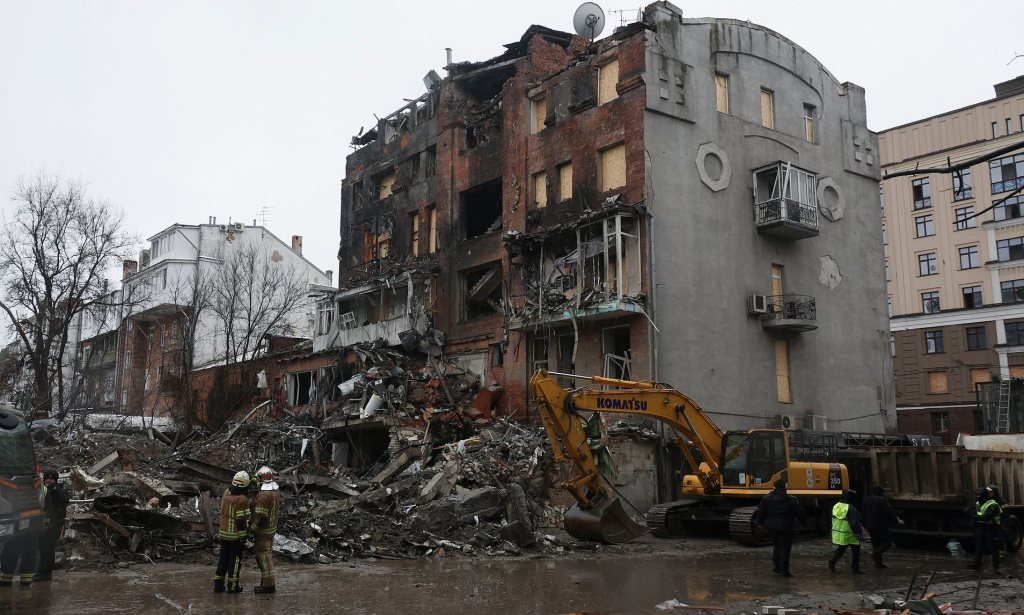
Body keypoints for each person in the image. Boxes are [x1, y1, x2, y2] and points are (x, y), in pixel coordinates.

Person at [753, 479, 807, 577]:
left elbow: (761, 512)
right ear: (784, 487)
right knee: (785, 547)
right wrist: (804, 523)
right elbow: (800, 513)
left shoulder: (766, 498)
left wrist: (760, 523)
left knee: (776, 545)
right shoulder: (791, 499)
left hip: (771, 526)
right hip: (786, 526)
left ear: (775, 487)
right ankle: (785, 570)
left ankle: (776, 566)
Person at [214, 471, 251, 594]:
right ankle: (233, 586)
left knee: (222, 559)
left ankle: (218, 585)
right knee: (234, 562)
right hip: (235, 536)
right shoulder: (242, 499)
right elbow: (240, 521)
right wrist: (244, 538)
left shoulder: (226, 493)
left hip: (223, 534)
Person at [35, 469, 70, 582]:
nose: (49, 480)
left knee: (48, 550)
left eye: (51, 478)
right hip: (41, 525)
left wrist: (52, 521)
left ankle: (46, 574)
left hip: (52, 525)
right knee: (42, 549)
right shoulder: (43, 490)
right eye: (47, 478)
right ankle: (40, 572)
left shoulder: (59, 491)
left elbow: (61, 508)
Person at [251, 466, 282, 594]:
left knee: (263, 557)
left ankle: (268, 586)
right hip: (271, 530)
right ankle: (266, 582)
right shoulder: (276, 492)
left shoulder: (263, 496)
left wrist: (252, 529)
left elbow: (260, 516)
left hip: (263, 532)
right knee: (268, 556)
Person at [862, 485, 903, 569]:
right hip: (881, 525)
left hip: (870, 526)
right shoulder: (882, 500)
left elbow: (863, 513)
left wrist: (864, 524)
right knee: (887, 542)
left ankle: (879, 564)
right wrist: (896, 520)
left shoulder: (866, 500)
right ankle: (876, 554)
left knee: (875, 544)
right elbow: (888, 512)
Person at [967, 486, 1002, 574]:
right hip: (982, 527)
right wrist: (971, 512)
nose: (978, 496)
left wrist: (976, 517)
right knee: (979, 547)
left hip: (992, 528)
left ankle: (996, 568)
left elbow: (987, 516)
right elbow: (976, 511)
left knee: (994, 548)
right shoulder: (980, 503)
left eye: (980, 495)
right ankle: (976, 565)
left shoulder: (993, 504)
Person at [828, 489, 864, 574]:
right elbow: (854, 523)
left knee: (841, 549)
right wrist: (859, 534)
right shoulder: (851, 508)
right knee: (856, 550)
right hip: (850, 534)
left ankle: (832, 562)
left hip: (839, 533)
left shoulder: (836, 505)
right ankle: (855, 568)